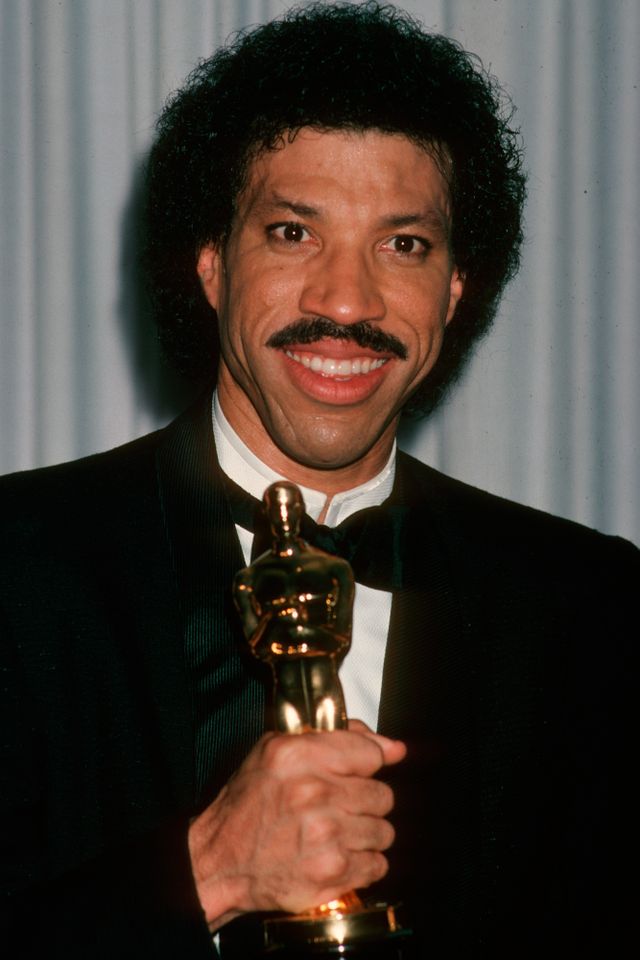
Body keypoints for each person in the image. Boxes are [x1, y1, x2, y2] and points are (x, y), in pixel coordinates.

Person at [1, 2, 637, 956]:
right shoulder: (14, 564)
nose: (348, 300)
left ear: (458, 290)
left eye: (404, 244)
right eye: (294, 233)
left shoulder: (592, 607)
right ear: (212, 263)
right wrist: (207, 870)